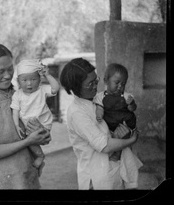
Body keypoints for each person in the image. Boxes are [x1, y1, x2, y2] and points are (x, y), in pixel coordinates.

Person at [0, 43, 51, 189]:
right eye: (1, 71)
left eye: (10, 69)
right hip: (1, 182)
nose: (7, 75)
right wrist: (27, 142)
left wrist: (41, 132)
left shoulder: (19, 95)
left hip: (26, 177)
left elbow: (41, 138)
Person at [60, 58, 142, 190]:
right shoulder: (77, 112)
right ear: (76, 87)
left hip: (112, 169)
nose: (95, 86)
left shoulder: (99, 98)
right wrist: (132, 139)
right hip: (97, 177)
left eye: (96, 80)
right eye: (90, 83)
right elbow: (105, 146)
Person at [10, 59, 60, 175]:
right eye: (24, 80)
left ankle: (40, 156)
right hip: (29, 126)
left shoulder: (42, 90)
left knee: (31, 140)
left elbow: (55, 88)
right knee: (29, 140)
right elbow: (15, 111)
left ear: (39, 80)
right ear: (18, 81)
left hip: (43, 124)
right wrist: (16, 125)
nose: (29, 83)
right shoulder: (17, 95)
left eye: (33, 79)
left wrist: (47, 74)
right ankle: (38, 157)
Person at [94, 63, 137, 161]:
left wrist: (131, 104)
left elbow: (132, 109)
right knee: (114, 140)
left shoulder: (126, 96)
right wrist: (99, 114)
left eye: (123, 83)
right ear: (106, 81)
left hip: (125, 124)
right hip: (110, 125)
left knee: (124, 140)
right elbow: (99, 107)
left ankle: (119, 156)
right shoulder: (100, 96)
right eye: (117, 82)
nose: (120, 86)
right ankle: (116, 155)